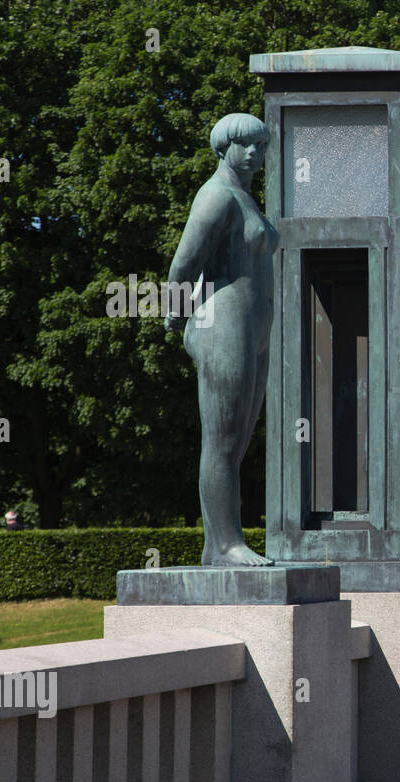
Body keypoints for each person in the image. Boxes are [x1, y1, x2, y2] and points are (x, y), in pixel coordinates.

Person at [166, 112, 277, 566]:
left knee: (238, 442)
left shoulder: (244, 197)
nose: (255, 153)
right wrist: (176, 318)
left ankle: (220, 544)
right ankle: (226, 545)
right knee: (223, 441)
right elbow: (182, 265)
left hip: (253, 329)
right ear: (223, 146)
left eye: (262, 146)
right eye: (246, 144)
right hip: (224, 323)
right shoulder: (216, 196)